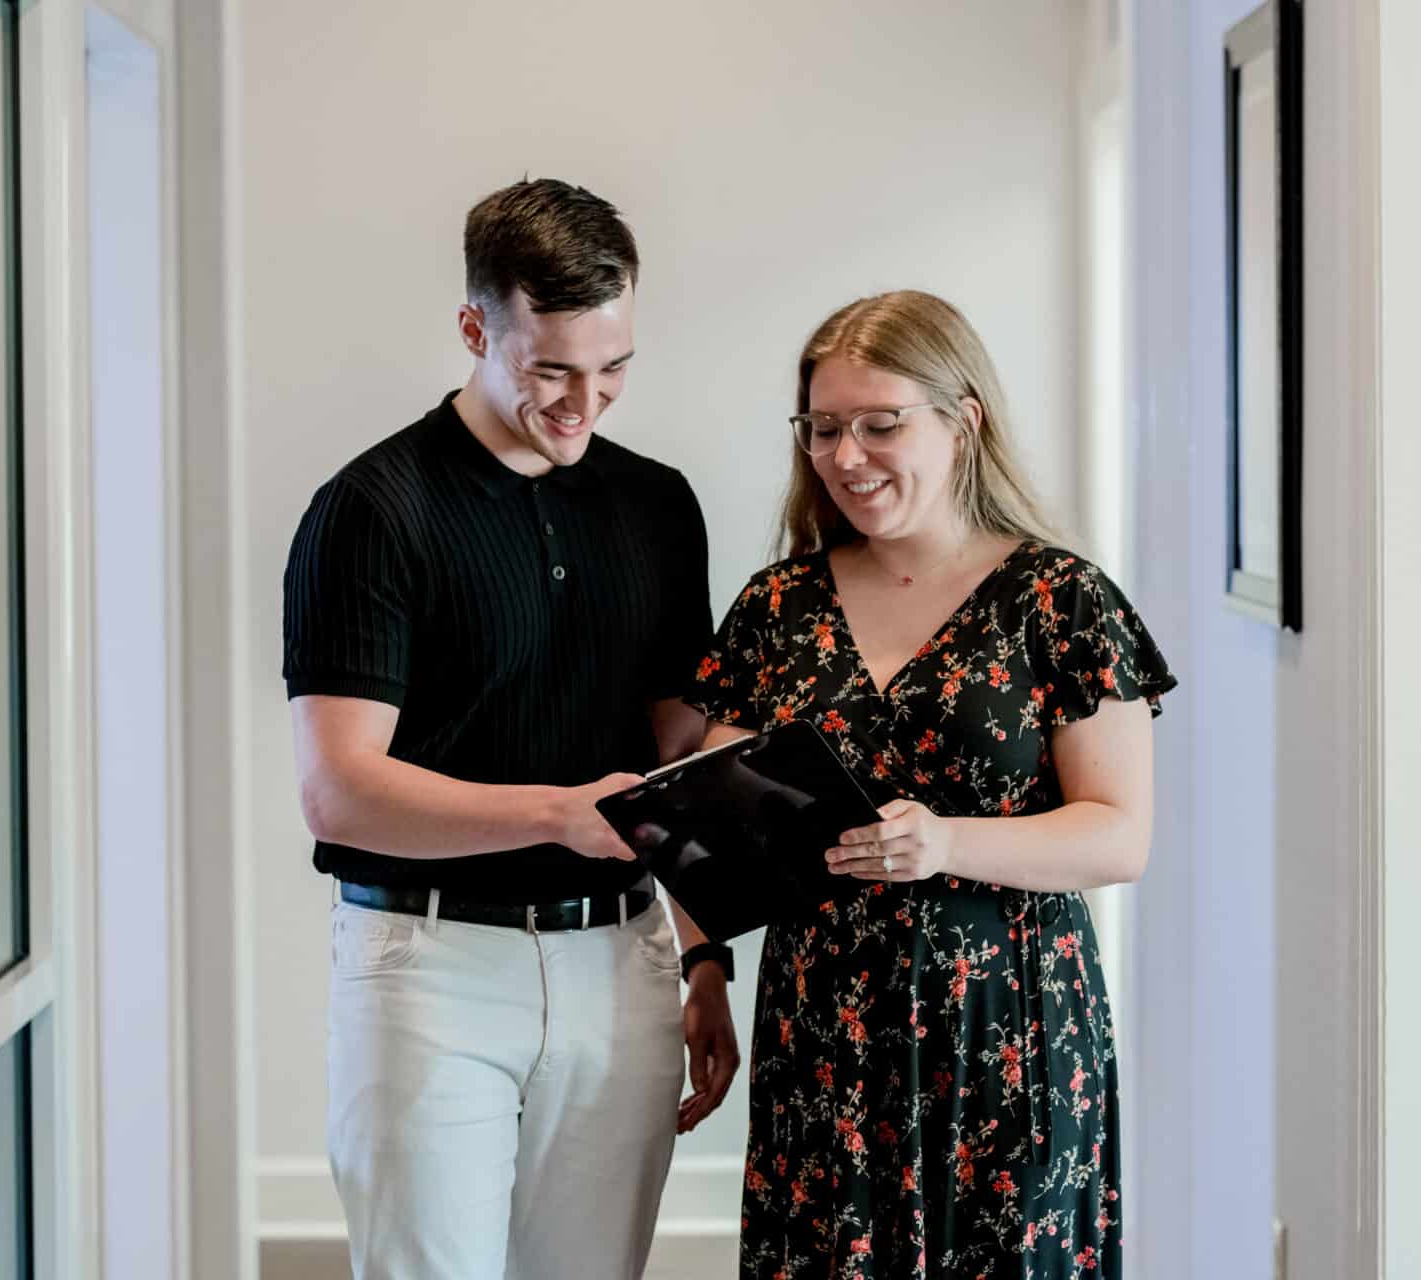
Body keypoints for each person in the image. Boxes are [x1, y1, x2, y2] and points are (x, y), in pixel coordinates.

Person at [281, 177, 741, 1280]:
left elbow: (680, 741)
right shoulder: (372, 509)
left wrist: (706, 950)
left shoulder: (660, 504)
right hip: (428, 965)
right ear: (475, 327)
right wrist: (558, 814)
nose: (587, 401)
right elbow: (340, 788)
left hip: (621, 962)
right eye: (551, 370)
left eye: (614, 367)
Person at [686, 290, 1175, 1279]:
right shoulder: (777, 605)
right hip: (826, 1029)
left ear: (964, 421)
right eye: (824, 428)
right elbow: (712, 827)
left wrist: (947, 841)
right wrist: (703, 971)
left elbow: (1117, 836)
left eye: (880, 424)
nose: (847, 455)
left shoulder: (1061, 600)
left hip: (1012, 1028)